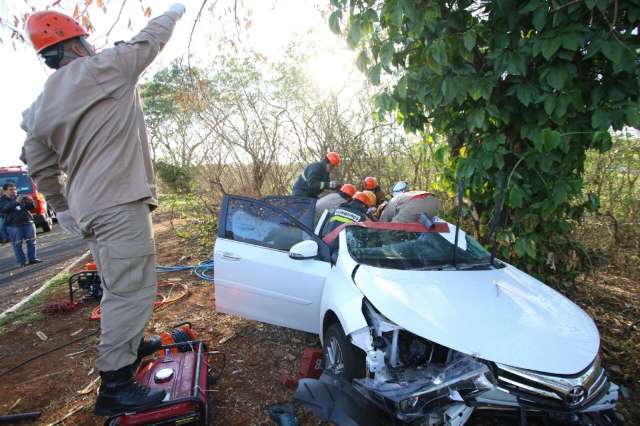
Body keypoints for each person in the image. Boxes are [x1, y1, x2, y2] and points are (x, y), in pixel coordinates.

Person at [22, 4, 186, 416]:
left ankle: (128, 350)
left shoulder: (41, 106)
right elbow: (150, 39)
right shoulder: (103, 68)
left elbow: (39, 167)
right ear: (77, 43)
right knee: (130, 290)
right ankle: (115, 383)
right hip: (118, 201)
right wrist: (174, 11)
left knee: (117, 284)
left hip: (90, 209)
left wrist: (60, 208)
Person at [0, 182, 41, 267]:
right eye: (10, 190)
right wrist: (16, 202)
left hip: (28, 222)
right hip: (13, 225)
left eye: (15, 189)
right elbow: (4, 210)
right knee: (17, 244)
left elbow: (31, 208)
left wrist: (31, 202)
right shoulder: (2, 200)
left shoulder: (21, 197)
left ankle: (32, 259)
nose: (14, 191)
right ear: (4, 191)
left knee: (32, 242)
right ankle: (21, 262)